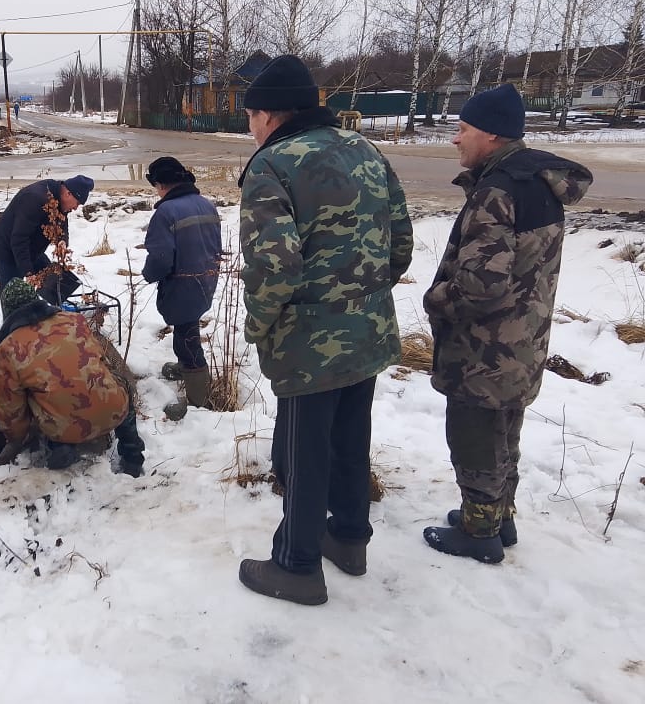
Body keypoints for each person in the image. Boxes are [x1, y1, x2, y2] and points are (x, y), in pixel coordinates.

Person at [235, 55, 413, 605]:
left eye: (250, 117)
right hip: (368, 330)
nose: (250, 128)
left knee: (305, 449)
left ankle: (298, 565)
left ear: (266, 115)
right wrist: (361, 296)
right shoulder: (365, 149)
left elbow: (274, 265)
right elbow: (400, 243)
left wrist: (259, 325)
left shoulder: (272, 165)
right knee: (349, 438)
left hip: (308, 340)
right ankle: (350, 540)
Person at [422, 84, 593, 564]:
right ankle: (500, 515)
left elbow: (481, 282)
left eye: (463, 129)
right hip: (523, 340)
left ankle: (480, 534)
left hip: (486, 346)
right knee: (504, 429)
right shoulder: (535, 182)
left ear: (491, 135)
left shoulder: (497, 190)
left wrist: (436, 299)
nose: (456, 139)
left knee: (475, 432)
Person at [0, 278, 145, 477]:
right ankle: (133, 456)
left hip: (61, 427)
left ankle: (61, 447)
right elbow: (100, 361)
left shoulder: (8, 349)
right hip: (114, 411)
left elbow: (10, 407)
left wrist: (16, 439)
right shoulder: (75, 321)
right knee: (118, 383)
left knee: (32, 393)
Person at [141, 156, 222, 410]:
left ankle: (199, 401)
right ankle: (185, 367)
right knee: (187, 328)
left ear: (161, 184)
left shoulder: (166, 212)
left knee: (187, 341)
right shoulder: (206, 204)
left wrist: (148, 274)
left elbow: (161, 258)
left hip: (182, 283)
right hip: (206, 279)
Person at [0, 175, 94, 309]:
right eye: (77, 203)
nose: (76, 208)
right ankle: (12, 327)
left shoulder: (57, 197)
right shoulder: (35, 199)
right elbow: (19, 239)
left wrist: (62, 241)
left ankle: (55, 312)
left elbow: (62, 220)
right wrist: (28, 272)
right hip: (6, 249)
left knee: (55, 281)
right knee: (13, 296)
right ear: (68, 193)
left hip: (31, 248)